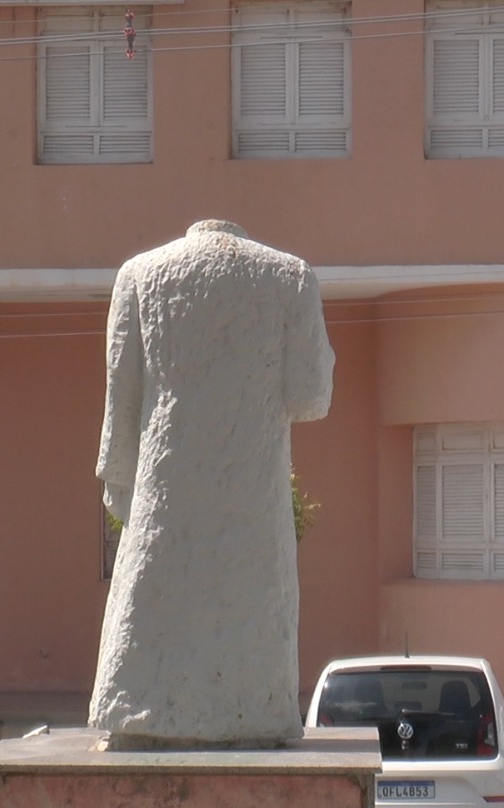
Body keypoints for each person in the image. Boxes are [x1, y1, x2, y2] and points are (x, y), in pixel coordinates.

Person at [89, 220, 334, 750]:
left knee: (146, 627)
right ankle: (251, 711)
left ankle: (139, 706)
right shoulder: (290, 276)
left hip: (165, 494)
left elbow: (120, 404)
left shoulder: (139, 274)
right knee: (253, 630)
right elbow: (313, 395)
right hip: (253, 501)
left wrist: (121, 484)